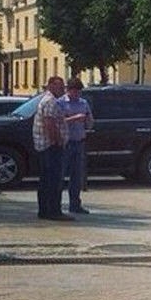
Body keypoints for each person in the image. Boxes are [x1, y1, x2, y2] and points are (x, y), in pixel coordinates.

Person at [33, 76, 71, 221]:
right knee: (53, 180)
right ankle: (53, 211)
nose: (62, 89)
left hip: (46, 146)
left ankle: (44, 211)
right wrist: (58, 141)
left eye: (62, 86)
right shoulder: (50, 101)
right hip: (50, 146)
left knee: (46, 180)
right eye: (59, 86)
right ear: (50, 86)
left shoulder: (46, 100)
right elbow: (50, 124)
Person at [57, 77, 94, 214]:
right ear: (68, 90)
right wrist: (74, 118)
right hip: (65, 143)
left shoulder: (83, 103)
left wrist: (88, 120)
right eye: (74, 91)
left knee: (77, 176)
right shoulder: (60, 103)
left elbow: (89, 122)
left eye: (79, 92)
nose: (77, 95)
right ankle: (56, 205)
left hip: (79, 142)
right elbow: (58, 122)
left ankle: (75, 204)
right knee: (60, 175)